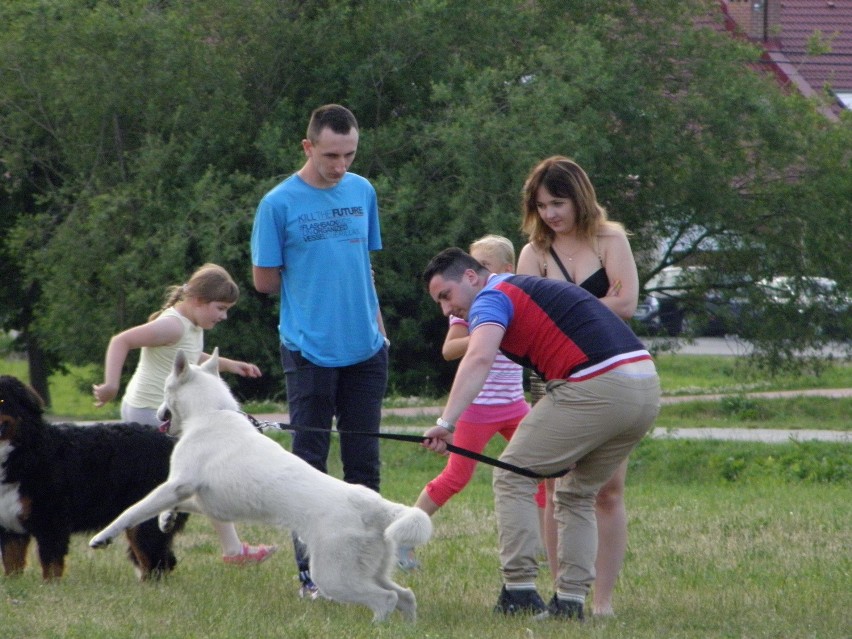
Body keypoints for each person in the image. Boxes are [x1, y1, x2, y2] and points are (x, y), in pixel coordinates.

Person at [420, 248, 659, 621]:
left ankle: (519, 591)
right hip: (645, 389)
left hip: (596, 385)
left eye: (445, 296)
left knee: (512, 473)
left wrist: (447, 423)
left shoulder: (492, 296)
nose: (446, 310)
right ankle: (570, 603)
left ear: (470, 277)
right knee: (576, 492)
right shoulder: (525, 288)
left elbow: (479, 357)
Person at [250, 104, 389, 599]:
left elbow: (362, 262)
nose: (341, 166)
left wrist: (378, 326)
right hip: (308, 349)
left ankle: (365, 572)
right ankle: (312, 577)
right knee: (308, 467)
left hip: (366, 350)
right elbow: (264, 281)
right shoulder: (278, 203)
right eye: (331, 155)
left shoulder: (363, 191)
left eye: (349, 154)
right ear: (309, 147)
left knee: (364, 466)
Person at [516, 155, 640, 616]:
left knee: (607, 490)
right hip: (554, 379)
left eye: (558, 202)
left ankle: (603, 602)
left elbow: (626, 302)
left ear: (579, 198)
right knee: (555, 487)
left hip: (614, 372)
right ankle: (564, 594)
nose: (550, 214)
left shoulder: (611, 239)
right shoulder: (533, 254)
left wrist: (565, 312)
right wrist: (588, 307)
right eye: (542, 204)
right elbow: (528, 320)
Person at [92, 263, 277, 566]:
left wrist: (230, 365)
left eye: (227, 309)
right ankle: (221, 550)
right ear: (197, 300)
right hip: (149, 414)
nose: (223, 316)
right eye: (220, 308)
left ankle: (230, 549)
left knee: (194, 479)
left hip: (165, 413)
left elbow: (190, 354)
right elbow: (120, 341)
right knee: (189, 480)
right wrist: (111, 384)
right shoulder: (173, 325)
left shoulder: (191, 326)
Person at [400, 235, 535, 570]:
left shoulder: (512, 296)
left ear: (507, 270)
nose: (478, 272)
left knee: (539, 470)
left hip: (515, 405)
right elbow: (449, 350)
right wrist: (488, 331)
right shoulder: (466, 310)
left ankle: (546, 544)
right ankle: (405, 538)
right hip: (478, 408)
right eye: (473, 265)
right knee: (456, 477)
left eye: (485, 267)